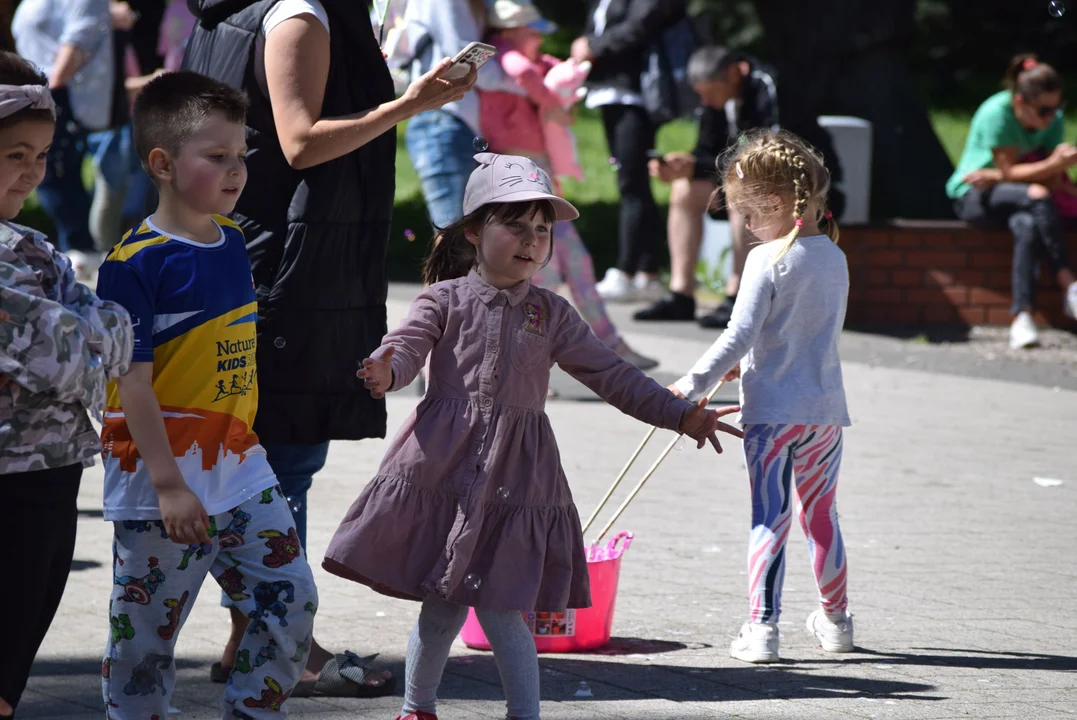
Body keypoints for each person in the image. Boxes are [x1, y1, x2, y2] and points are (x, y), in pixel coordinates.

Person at [322, 153, 744, 720]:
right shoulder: (442, 300)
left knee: (503, 606)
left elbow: (611, 375)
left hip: (517, 478)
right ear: (474, 231)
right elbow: (407, 344)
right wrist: (386, 370)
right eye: (514, 225)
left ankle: (522, 713)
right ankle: (417, 709)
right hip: (441, 468)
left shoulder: (553, 314)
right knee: (443, 603)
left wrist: (680, 414)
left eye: (541, 230)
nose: (530, 241)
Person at [182, 0, 476, 696]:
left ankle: (252, 633)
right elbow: (299, 141)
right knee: (284, 457)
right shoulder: (299, 16)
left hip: (260, 252)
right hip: (284, 263)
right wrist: (409, 103)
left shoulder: (250, 7)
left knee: (268, 451)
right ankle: (287, 642)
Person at [94, 71, 318, 718]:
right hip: (158, 484)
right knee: (144, 642)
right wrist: (167, 483)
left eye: (239, 156)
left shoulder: (233, 241)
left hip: (240, 470)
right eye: (215, 157)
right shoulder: (131, 265)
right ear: (162, 164)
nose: (235, 171)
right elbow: (131, 383)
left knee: (291, 600)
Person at [672, 130, 853, 664]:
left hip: (771, 414)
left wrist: (692, 384)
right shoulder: (834, 259)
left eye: (748, 215)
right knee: (822, 517)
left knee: (767, 517)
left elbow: (740, 334)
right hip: (823, 413)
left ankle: (762, 629)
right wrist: (742, 366)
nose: (746, 227)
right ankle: (837, 621)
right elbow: (800, 332)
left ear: (774, 204)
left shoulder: (766, 258)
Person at [0, 51, 133, 719]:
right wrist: (81, 325)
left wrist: (76, 325)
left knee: (16, 658)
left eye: (43, 154)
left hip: (52, 474)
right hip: (10, 485)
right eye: (14, 153)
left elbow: (112, 329)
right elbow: (68, 353)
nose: (32, 170)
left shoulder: (33, 246)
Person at [479, 0, 657, 370]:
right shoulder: (506, 57)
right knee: (546, 271)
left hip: (536, 178)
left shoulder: (525, 61)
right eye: (534, 32)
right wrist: (552, 103)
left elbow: (550, 72)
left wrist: (569, 83)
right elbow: (526, 74)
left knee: (574, 265)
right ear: (512, 32)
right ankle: (532, 358)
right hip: (519, 180)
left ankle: (605, 345)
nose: (541, 40)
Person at [635, 46, 779, 329]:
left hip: (784, 184)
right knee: (684, 190)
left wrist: (703, 163)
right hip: (738, 177)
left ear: (734, 74)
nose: (705, 100)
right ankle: (681, 293)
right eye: (700, 92)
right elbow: (708, 149)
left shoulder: (767, 84)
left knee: (743, 193)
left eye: (710, 91)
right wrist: (685, 166)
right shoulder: (716, 101)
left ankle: (738, 294)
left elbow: (772, 148)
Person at [947, 54, 1077, 350]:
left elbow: (1042, 174)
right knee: (1037, 196)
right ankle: (1068, 283)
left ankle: (1022, 317)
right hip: (973, 195)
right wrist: (1054, 166)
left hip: (1019, 200)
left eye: (1058, 108)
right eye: (1044, 110)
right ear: (1020, 101)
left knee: (1027, 225)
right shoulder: (997, 113)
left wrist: (1057, 168)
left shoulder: (1051, 121)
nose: (1052, 117)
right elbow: (1009, 173)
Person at [573, 0, 688, 304]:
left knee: (632, 183)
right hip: (609, 91)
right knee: (631, 181)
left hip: (635, 92)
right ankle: (646, 271)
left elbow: (639, 27)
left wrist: (593, 45)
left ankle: (629, 271)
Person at [402, 0, 527, 229]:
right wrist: (531, 86)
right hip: (442, 122)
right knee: (454, 234)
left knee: (466, 234)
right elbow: (468, 64)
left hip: (454, 123)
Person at [11, 0, 114, 279]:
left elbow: (79, 39)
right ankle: (77, 249)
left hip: (60, 96)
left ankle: (81, 249)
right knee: (53, 175)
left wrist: (50, 92)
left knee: (55, 174)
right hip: (35, 94)